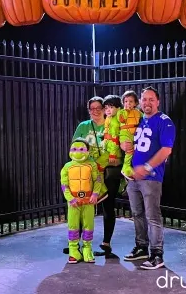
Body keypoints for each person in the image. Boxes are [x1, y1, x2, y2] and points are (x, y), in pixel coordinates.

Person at [122, 86, 176, 270]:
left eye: (151, 99)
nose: (147, 102)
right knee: (137, 214)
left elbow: (166, 149)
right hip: (133, 176)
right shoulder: (139, 120)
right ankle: (142, 246)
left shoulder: (164, 121)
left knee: (152, 216)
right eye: (144, 99)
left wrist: (146, 167)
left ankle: (157, 255)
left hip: (151, 177)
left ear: (158, 101)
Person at [62, 96, 122, 256]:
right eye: (92, 108)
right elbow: (75, 148)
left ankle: (106, 243)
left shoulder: (113, 124)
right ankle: (77, 243)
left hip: (108, 173)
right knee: (82, 206)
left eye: (98, 108)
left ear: (104, 109)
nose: (95, 111)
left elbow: (117, 148)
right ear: (89, 110)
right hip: (87, 174)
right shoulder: (83, 126)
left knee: (108, 206)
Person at [60, 138, 102, 263]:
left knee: (88, 225)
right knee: (73, 226)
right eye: (74, 149)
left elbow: (98, 180)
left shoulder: (92, 165)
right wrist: (70, 198)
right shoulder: (67, 167)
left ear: (87, 151)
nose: (78, 152)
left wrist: (95, 194)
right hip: (73, 202)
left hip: (88, 201)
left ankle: (87, 249)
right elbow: (64, 185)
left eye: (81, 149)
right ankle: (73, 250)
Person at [93, 94, 125, 257]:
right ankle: (93, 242)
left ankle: (106, 242)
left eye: (110, 107)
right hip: (103, 167)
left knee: (108, 205)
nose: (107, 110)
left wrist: (112, 156)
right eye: (106, 107)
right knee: (104, 205)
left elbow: (115, 142)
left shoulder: (118, 121)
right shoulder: (108, 121)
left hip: (111, 167)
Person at [117, 90, 142, 194]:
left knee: (135, 151)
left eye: (131, 101)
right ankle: (125, 167)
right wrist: (126, 111)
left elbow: (144, 120)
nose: (128, 103)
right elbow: (121, 119)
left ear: (136, 103)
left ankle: (130, 170)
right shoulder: (121, 112)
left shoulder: (139, 112)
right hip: (125, 134)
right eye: (126, 101)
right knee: (129, 150)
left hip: (135, 134)